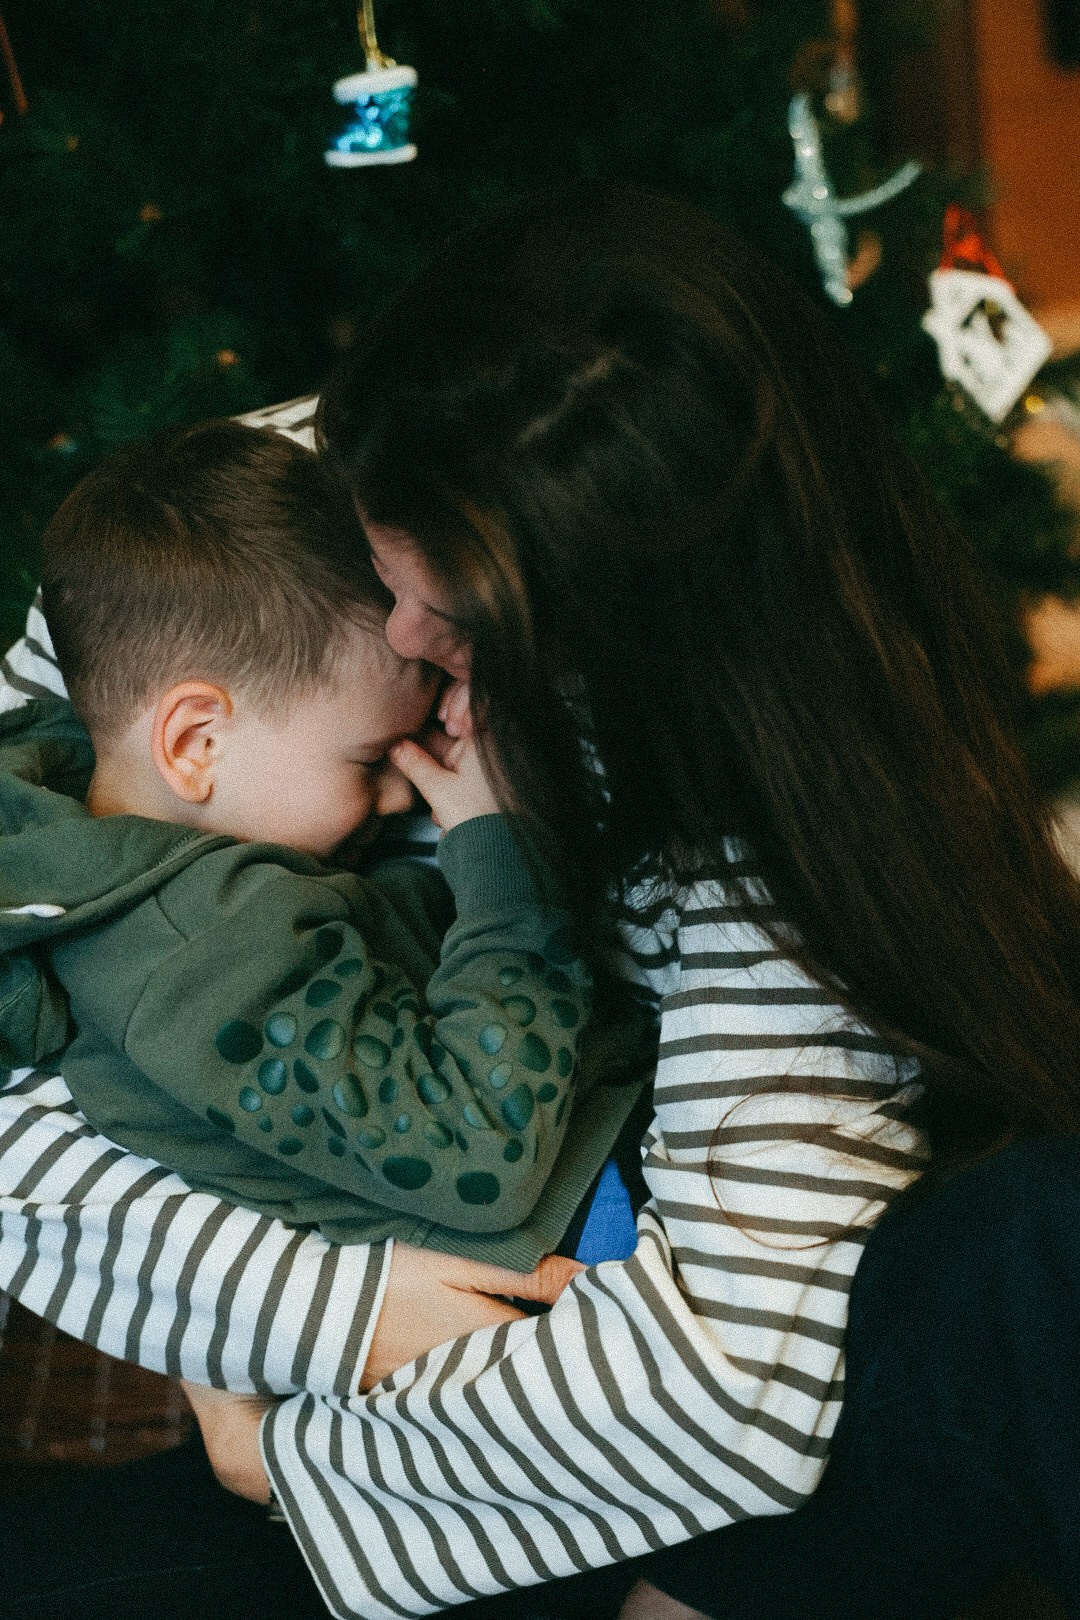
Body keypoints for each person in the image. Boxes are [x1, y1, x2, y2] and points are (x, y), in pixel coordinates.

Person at [1, 182, 1079, 1620]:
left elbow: (737, 1383)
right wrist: (317, 1317)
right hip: (378, 1349)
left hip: (553, 1393)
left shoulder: (765, 825)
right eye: (386, 558)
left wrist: (286, 1450)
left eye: (461, 623)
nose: (394, 637)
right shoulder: (285, 496)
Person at [0, 416, 645, 1267]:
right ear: (196, 743)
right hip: (574, 1220)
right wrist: (503, 858)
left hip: (585, 1129)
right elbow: (478, 1152)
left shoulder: (130, 854)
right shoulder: (203, 957)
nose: (402, 791)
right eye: (373, 757)